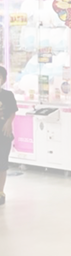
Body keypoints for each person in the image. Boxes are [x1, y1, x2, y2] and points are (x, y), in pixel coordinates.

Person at [0, 65, 16, 205]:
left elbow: (12, 111)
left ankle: (1, 192)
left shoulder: (8, 95)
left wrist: (9, 122)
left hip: (3, 134)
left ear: (4, 80)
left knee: (2, 163)